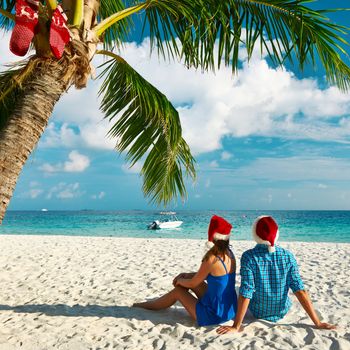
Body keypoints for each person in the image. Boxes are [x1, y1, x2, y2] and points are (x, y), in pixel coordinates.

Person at [217, 215, 336, 334]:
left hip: (258, 312)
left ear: (255, 234)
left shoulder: (249, 257)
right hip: (282, 311)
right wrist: (318, 323)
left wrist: (236, 326)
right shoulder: (288, 256)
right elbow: (300, 290)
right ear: (277, 234)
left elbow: (246, 292)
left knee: (240, 290)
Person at [133, 215, 238, 326]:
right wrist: (187, 275)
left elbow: (193, 283)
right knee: (188, 278)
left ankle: (147, 305)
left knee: (178, 292)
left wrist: (180, 282)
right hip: (229, 310)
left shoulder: (211, 258)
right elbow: (215, 275)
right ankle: (160, 301)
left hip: (214, 315)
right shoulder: (229, 253)